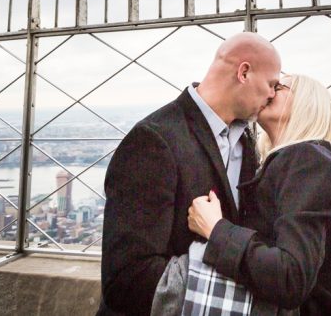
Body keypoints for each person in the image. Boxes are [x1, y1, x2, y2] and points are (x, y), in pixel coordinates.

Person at [97, 32, 283, 316]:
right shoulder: (153, 140)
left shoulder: (244, 142)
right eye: (271, 84)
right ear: (244, 72)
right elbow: (126, 278)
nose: (272, 95)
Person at [187, 74, 331, 316]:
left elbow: (292, 278)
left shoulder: (307, 161)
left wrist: (216, 229)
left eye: (278, 87)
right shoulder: (300, 163)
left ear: (305, 104)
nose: (267, 91)